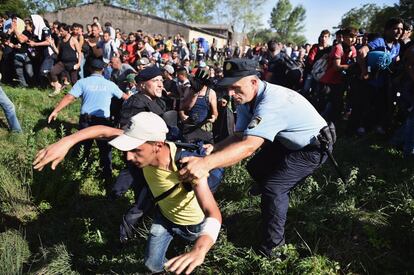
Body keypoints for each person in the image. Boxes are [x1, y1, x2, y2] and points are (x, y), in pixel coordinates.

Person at [33, 112, 222, 274]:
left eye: (136, 150)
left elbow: (213, 213)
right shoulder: (143, 140)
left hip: (191, 224)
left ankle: (184, 249)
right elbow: (103, 130)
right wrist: (67, 141)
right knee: (151, 264)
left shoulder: (186, 166)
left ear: (157, 145)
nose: (129, 157)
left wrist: (199, 249)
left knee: (185, 251)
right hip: (164, 218)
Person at [179, 59, 332, 256]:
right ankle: (268, 207)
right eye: (228, 88)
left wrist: (204, 164)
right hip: (286, 142)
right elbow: (239, 135)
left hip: (311, 149)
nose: (231, 94)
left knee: (274, 189)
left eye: (236, 87)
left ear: (253, 82)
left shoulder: (271, 103)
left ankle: (273, 248)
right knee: (256, 168)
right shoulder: (247, 98)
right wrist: (214, 149)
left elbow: (249, 146)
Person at [48, 59, 129, 182]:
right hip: (103, 123)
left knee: (83, 148)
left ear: (90, 69)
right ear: (103, 70)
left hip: (86, 121)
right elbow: (125, 98)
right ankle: (107, 179)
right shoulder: (110, 84)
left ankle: (77, 175)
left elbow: (70, 97)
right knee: (105, 151)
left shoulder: (83, 82)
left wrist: (56, 111)